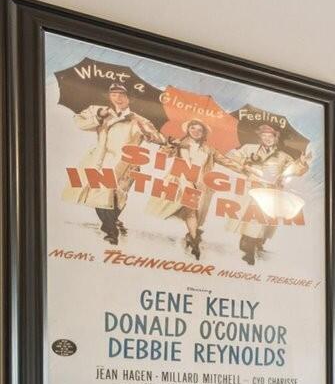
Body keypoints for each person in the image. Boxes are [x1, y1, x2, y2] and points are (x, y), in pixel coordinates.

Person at [65, 85, 162, 245]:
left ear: (129, 98)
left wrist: (147, 133)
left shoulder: (139, 119)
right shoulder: (100, 111)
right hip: (102, 160)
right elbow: (80, 123)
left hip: (127, 164)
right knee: (100, 194)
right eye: (114, 94)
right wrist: (98, 116)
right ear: (109, 96)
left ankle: (110, 223)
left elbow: (159, 138)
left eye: (122, 94)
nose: (118, 98)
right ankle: (111, 230)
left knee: (118, 198)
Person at [222, 121, 310, 265]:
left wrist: (301, 163)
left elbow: (295, 171)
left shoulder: (283, 156)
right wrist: (245, 164)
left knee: (264, 221)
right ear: (260, 137)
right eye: (264, 136)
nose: (267, 139)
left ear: (276, 138)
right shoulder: (249, 148)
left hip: (271, 192)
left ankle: (255, 245)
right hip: (252, 190)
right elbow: (231, 157)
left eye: (271, 136)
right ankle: (248, 248)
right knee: (251, 220)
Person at [147, 119, 220, 258]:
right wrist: (170, 145)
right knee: (191, 210)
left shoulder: (209, 149)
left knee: (193, 213)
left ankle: (192, 237)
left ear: (204, 133)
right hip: (182, 181)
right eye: (193, 128)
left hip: (199, 184)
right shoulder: (180, 143)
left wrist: (246, 168)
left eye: (200, 130)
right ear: (188, 130)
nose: (196, 132)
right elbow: (163, 155)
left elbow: (227, 161)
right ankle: (194, 241)